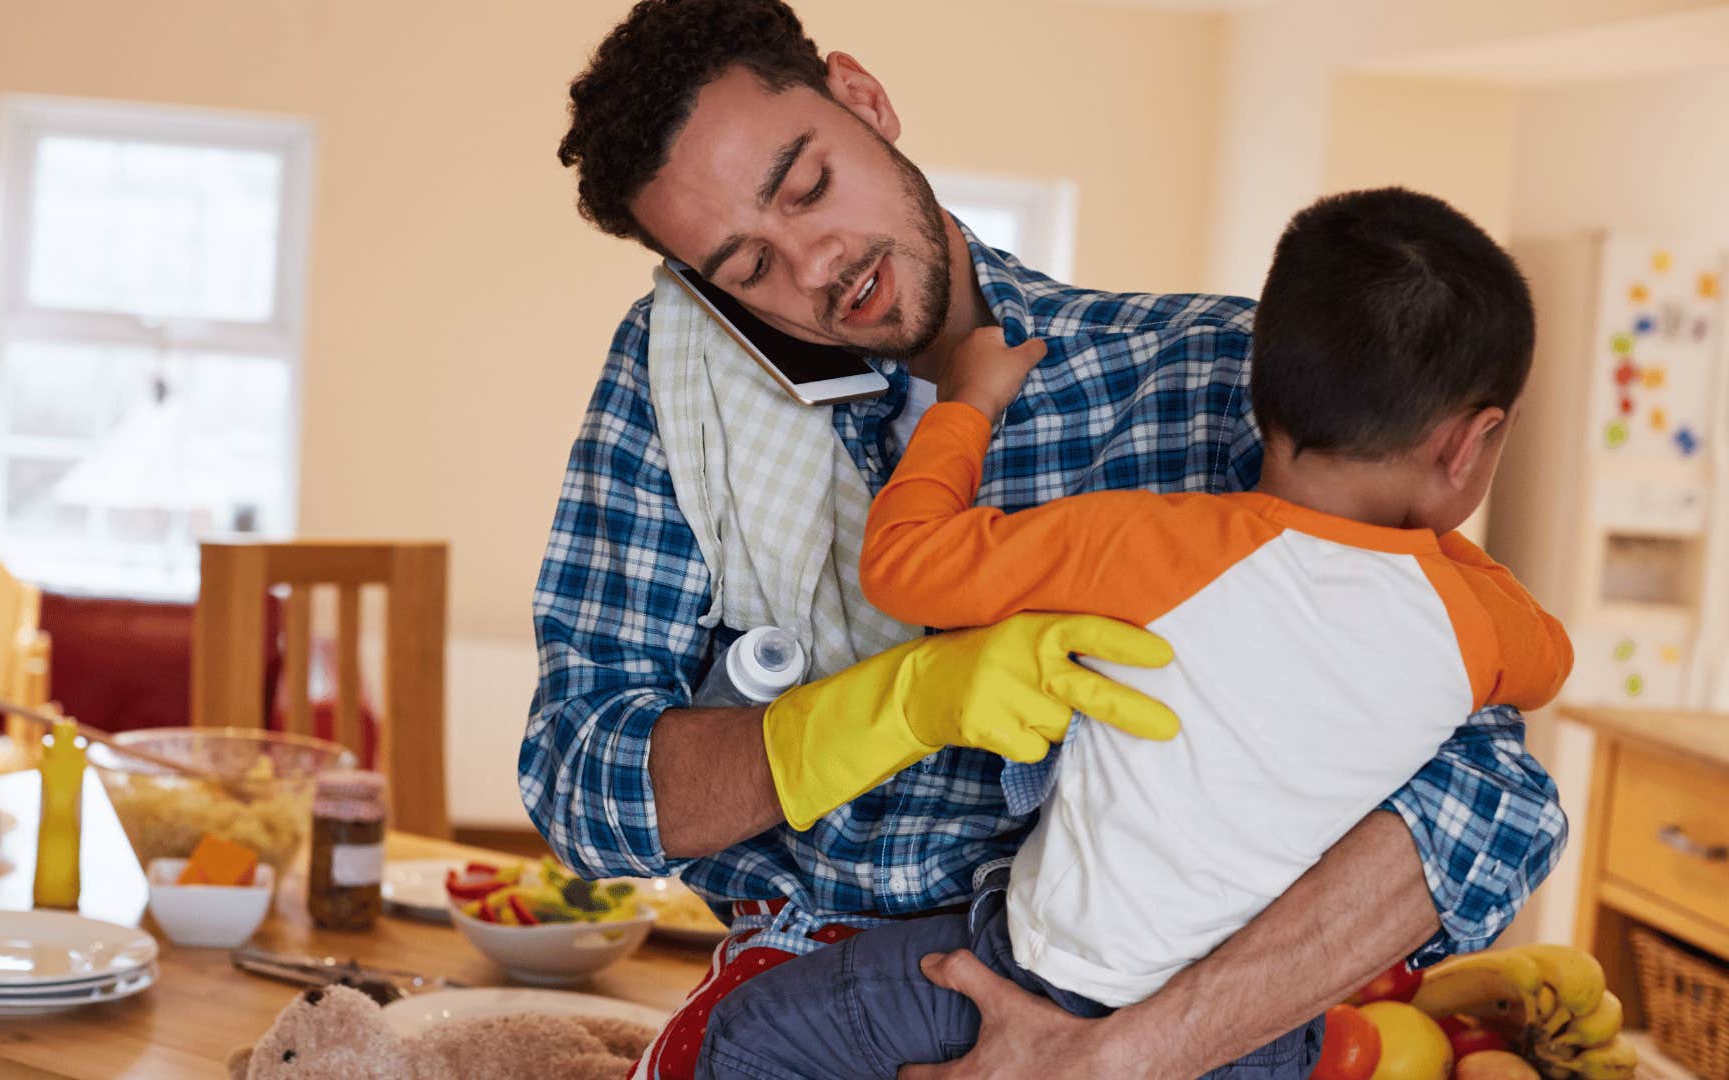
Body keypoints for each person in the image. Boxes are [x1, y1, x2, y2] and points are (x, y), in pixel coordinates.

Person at [524, 3, 1565, 1076]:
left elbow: (1490, 800)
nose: (816, 264)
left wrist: (1118, 1057)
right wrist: (896, 705)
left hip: (1154, 1021)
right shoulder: (689, 396)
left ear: (863, 100)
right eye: (747, 267)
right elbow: (582, 786)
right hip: (825, 991)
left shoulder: (1207, 380)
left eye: (810, 186)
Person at [693, 188, 1573, 1079]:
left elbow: (905, 561)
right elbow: (1550, 658)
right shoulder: (1477, 625)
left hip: (1045, 973)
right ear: (1472, 443)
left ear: (1261, 387)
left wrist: (970, 403)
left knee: (746, 1038)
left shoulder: (1149, 543)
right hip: (1258, 1045)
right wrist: (1418, 544)